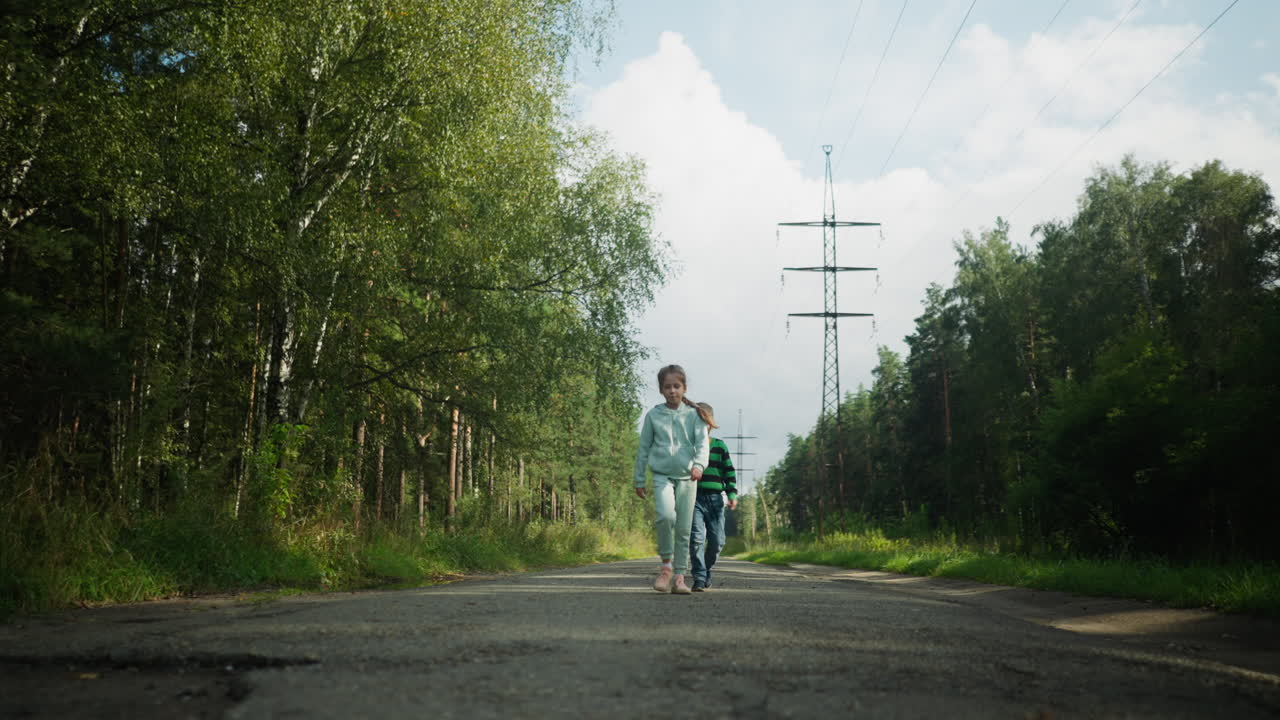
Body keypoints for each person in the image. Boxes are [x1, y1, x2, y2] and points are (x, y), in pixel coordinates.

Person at [634, 364, 715, 595]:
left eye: (676, 386)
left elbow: (702, 444)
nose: (672, 391)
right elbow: (643, 448)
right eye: (667, 387)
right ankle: (666, 569)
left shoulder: (694, 416)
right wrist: (639, 479)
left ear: (684, 388)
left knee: (683, 528)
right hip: (662, 475)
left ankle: (680, 577)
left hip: (688, 478)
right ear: (661, 390)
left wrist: (699, 465)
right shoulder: (653, 416)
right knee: (665, 516)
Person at [689, 402, 737, 592]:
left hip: (716, 499)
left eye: (704, 422)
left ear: (711, 423)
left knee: (718, 541)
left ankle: (707, 568)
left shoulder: (719, 446)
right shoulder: (689, 447)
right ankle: (699, 577)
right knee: (697, 539)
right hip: (694, 498)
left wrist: (732, 493)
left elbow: (729, 472)